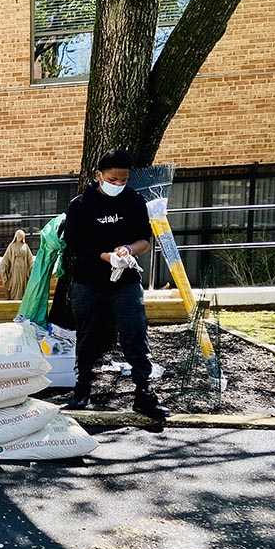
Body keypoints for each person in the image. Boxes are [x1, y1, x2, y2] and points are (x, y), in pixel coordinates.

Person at [61, 149, 170, 421]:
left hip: (127, 282)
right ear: (99, 176)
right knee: (87, 337)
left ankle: (144, 393)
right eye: (113, 179)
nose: (118, 185)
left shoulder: (133, 201)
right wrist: (107, 256)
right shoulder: (80, 205)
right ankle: (82, 389)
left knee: (135, 334)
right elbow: (75, 245)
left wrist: (127, 251)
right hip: (89, 282)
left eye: (123, 180)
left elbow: (145, 239)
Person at [0, 229, 34, 300]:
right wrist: (4, 264)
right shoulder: (12, 246)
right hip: (15, 269)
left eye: (22, 236)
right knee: (15, 283)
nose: (20, 238)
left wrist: (33, 264)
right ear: (16, 237)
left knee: (23, 284)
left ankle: (22, 298)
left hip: (23, 269)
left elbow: (30, 258)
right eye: (19, 236)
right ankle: (14, 297)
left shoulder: (25, 246)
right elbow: (7, 257)